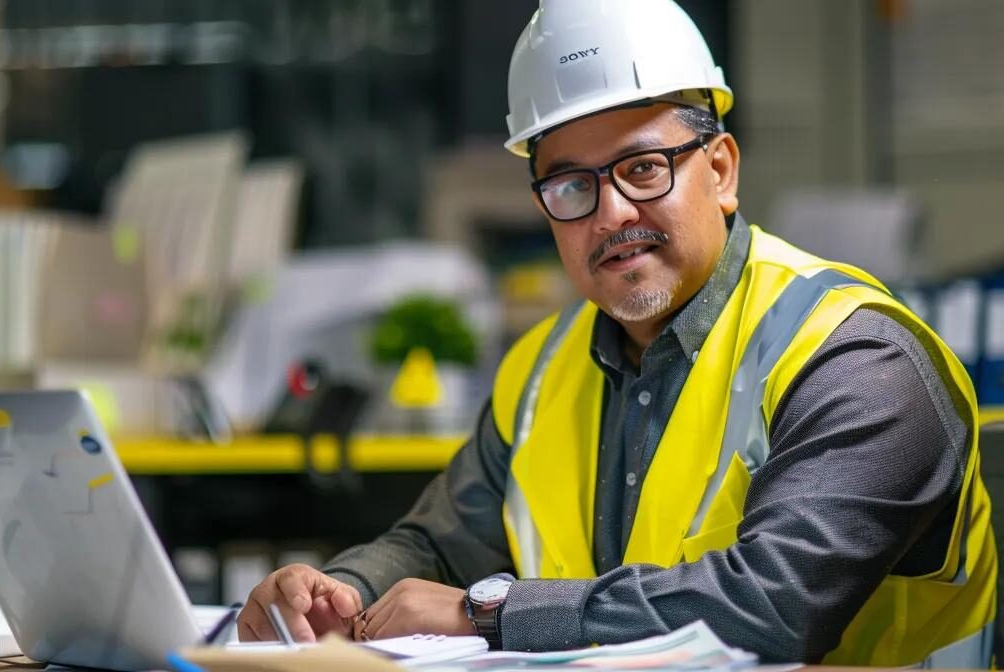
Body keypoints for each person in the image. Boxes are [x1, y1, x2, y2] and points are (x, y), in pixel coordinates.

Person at [238, 0, 996, 665]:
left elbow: (772, 609)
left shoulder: (856, 359)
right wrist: (339, 589)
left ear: (722, 170)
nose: (611, 215)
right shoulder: (540, 371)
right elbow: (439, 543)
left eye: (643, 168)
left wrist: (490, 614)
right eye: (573, 186)